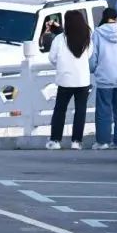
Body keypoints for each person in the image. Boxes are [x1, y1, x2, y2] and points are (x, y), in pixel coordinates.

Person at [89, 6, 117, 149]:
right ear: (116, 17)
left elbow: (93, 56)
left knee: (103, 111)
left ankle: (103, 142)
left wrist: (93, 69)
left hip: (105, 77)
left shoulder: (97, 33)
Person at [46, 9, 92, 149]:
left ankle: (55, 140)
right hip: (82, 80)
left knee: (60, 110)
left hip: (65, 79)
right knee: (80, 111)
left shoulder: (60, 39)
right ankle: (76, 142)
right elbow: (89, 55)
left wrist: (62, 64)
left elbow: (52, 58)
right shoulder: (87, 37)